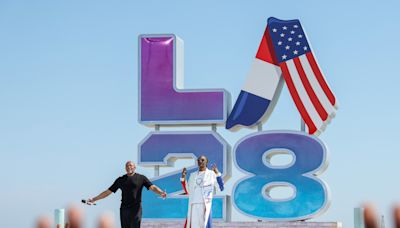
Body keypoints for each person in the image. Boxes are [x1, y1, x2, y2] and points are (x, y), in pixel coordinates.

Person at [86, 161, 166, 228]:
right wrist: (94, 199)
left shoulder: (141, 178)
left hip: (136, 209)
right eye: (127, 166)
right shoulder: (120, 180)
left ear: (134, 167)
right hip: (124, 210)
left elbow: (152, 187)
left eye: (130, 165)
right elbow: (107, 192)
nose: (128, 167)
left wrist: (161, 192)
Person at [180, 155, 224, 228]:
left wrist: (217, 173)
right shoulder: (193, 175)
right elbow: (188, 191)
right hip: (193, 204)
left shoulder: (211, 174)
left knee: (205, 225)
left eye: (203, 160)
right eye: (199, 160)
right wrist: (183, 177)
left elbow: (221, 187)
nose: (200, 161)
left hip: (205, 204)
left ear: (206, 162)